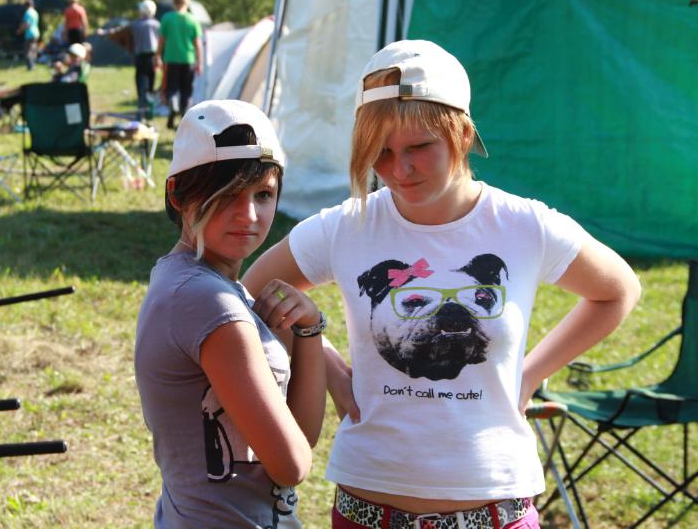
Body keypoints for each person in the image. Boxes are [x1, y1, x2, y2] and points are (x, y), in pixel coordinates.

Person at [242, 40, 642, 529]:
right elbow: (255, 289)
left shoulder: (523, 225)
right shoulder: (346, 226)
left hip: (495, 509)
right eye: (381, 152)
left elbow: (617, 291)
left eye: (418, 147)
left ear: (463, 133)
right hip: (368, 509)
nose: (399, 169)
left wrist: (530, 374)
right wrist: (330, 372)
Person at [134, 100, 327, 527]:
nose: (249, 215)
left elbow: (300, 435)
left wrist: (310, 330)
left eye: (263, 195)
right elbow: (291, 465)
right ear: (177, 194)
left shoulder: (190, 281)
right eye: (227, 196)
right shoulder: (207, 300)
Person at [97, 0, 161, 119]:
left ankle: (141, 110)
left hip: (140, 58)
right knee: (150, 86)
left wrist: (104, 32)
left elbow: (118, 31)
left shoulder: (136, 24)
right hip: (153, 58)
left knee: (140, 83)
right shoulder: (157, 24)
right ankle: (149, 111)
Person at [157, 0, 202, 129]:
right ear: (187, 2)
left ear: (173, 1)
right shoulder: (192, 20)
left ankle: (173, 105)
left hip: (171, 59)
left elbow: (161, 40)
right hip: (188, 59)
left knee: (171, 88)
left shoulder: (167, 18)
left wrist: (157, 56)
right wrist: (199, 62)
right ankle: (183, 117)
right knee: (186, 90)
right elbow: (198, 44)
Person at [18, 0, 40, 71]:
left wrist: (20, 30)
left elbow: (26, 24)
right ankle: (33, 65)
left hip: (30, 34)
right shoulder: (35, 12)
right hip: (36, 33)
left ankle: (30, 67)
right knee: (34, 49)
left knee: (28, 50)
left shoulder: (28, 12)